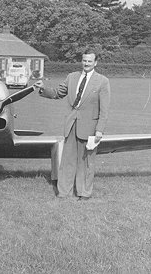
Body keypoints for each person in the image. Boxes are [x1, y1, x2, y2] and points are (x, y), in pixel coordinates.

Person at [34, 50, 110, 200]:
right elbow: (57, 93)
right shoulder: (72, 77)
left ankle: (84, 193)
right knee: (67, 161)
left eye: (89, 61)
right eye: (84, 60)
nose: (86, 63)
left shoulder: (103, 81)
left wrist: (99, 130)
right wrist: (43, 88)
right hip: (71, 125)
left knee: (86, 162)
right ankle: (64, 193)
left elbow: (104, 110)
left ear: (95, 63)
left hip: (90, 128)